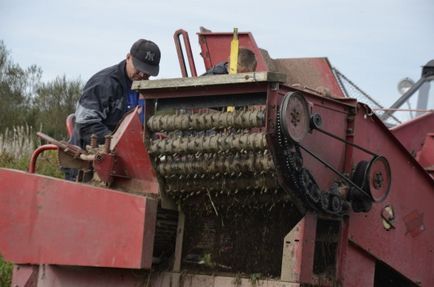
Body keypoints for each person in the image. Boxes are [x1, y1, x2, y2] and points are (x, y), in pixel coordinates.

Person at [71, 38, 161, 148]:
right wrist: (120, 142)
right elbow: (85, 125)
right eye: (139, 69)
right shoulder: (103, 84)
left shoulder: (146, 92)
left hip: (131, 154)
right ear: (128, 57)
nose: (142, 75)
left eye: (147, 72)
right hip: (91, 155)